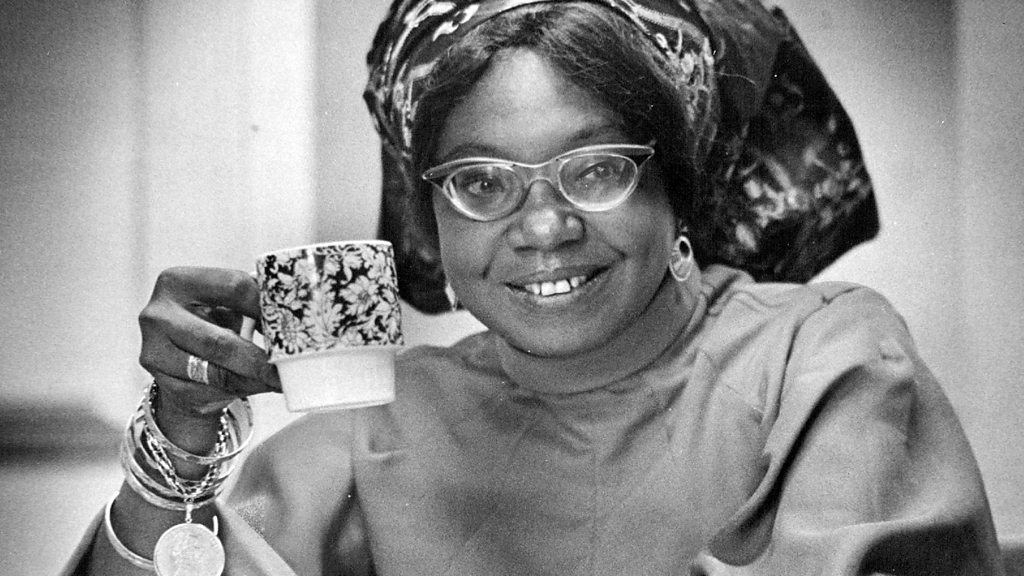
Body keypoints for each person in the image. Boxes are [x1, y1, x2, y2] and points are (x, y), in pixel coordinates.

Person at [65, 1, 1005, 574]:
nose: (544, 226)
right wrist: (180, 440)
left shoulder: (823, 358)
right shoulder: (374, 431)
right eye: (480, 182)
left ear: (678, 191)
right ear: (433, 222)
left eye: (596, 169)